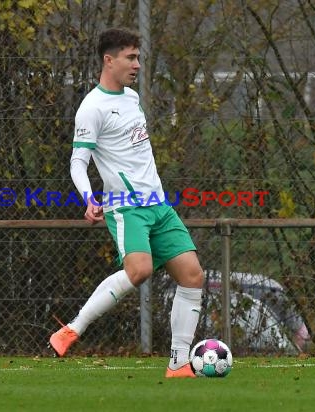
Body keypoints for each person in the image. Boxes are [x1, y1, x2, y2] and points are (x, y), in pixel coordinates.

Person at [49, 28, 204, 378]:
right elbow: (78, 162)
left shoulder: (131, 98)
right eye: (130, 58)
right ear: (109, 60)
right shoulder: (92, 108)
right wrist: (89, 198)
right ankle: (72, 329)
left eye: (137, 57)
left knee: (193, 275)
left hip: (158, 205)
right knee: (140, 270)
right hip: (126, 206)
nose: (137, 64)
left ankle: (179, 363)